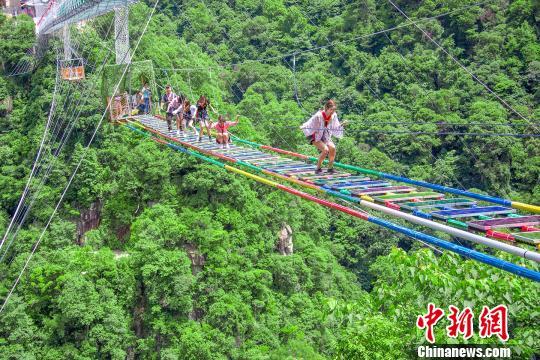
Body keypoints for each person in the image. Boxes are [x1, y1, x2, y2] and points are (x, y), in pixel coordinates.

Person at [300, 99, 346, 174]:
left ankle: (330, 168)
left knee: (333, 148)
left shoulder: (334, 115)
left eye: (334, 109)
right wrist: (304, 127)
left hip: (325, 135)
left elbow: (335, 126)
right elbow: (311, 123)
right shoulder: (319, 115)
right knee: (325, 150)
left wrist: (341, 124)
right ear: (326, 108)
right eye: (331, 109)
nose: (333, 111)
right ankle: (318, 168)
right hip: (315, 135)